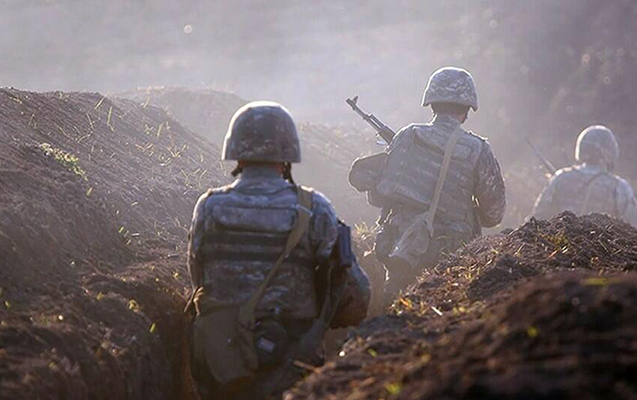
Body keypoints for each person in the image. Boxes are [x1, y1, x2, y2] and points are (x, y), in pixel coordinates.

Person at [186, 101, 370, 400]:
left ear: (236, 152)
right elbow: (354, 291)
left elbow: (198, 276)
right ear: (287, 154)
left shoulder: (209, 207)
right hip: (292, 359)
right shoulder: (314, 208)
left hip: (223, 360)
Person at [351, 67, 506, 303]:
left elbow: (380, 196)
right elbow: (494, 214)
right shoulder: (478, 149)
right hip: (450, 260)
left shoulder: (406, 136)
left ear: (431, 102)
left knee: (391, 308)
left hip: (401, 249)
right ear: (467, 108)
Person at [532, 125, 637, 226]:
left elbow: (538, 218)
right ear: (610, 150)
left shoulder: (560, 177)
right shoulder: (619, 187)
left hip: (560, 238)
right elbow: (633, 225)